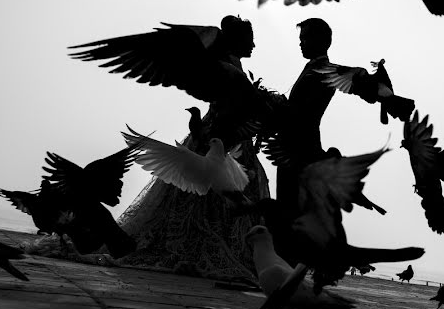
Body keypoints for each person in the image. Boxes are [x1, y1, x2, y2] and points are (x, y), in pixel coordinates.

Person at [118, 16, 278, 281]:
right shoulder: (224, 64)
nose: (254, 45)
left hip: (230, 137)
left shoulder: (231, 63)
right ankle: (198, 248)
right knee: (208, 199)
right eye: (249, 40)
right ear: (237, 40)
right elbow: (225, 106)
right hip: (218, 136)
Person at [275, 18, 337, 210]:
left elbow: (303, 113)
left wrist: (276, 110)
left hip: (301, 151)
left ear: (320, 40)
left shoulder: (326, 71)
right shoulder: (312, 67)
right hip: (291, 148)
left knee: (293, 213)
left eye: (304, 38)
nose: (300, 43)